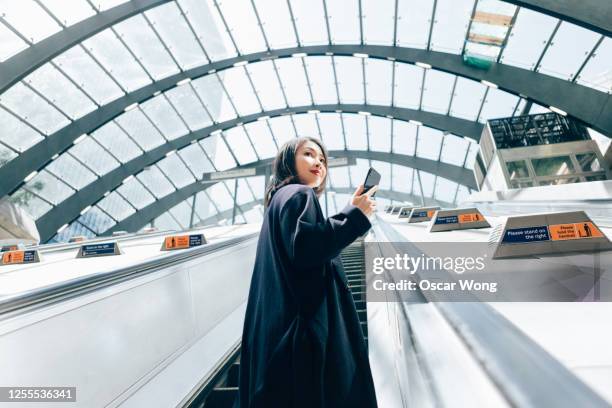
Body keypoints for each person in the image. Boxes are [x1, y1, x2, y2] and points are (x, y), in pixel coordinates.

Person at [236, 136, 378, 408]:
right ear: (289, 161)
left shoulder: (277, 204)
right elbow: (306, 248)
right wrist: (354, 215)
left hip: (279, 347)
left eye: (323, 160)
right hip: (304, 347)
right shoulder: (299, 194)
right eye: (309, 155)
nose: (319, 163)